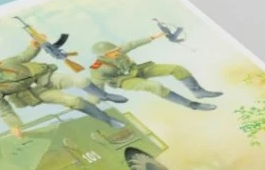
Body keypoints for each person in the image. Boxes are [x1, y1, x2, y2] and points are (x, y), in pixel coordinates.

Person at [0, 39, 125, 137]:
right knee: (74, 100)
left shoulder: (5, 64)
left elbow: (24, 56)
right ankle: (108, 120)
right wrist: (14, 125)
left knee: (81, 80)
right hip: (34, 93)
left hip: (44, 77)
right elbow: (3, 107)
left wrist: (35, 44)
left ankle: (104, 95)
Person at [87, 32, 223, 111]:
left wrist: (153, 37)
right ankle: (192, 105)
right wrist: (94, 102)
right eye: (112, 52)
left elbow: (131, 44)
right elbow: (97, 86)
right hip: (124, 81)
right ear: (103, 55)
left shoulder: (119, 51)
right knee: (155, 86)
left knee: (176, 68)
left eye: (116, 50)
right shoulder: (98, 68)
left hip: (137, 70)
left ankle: (198, 91)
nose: (117, 52)